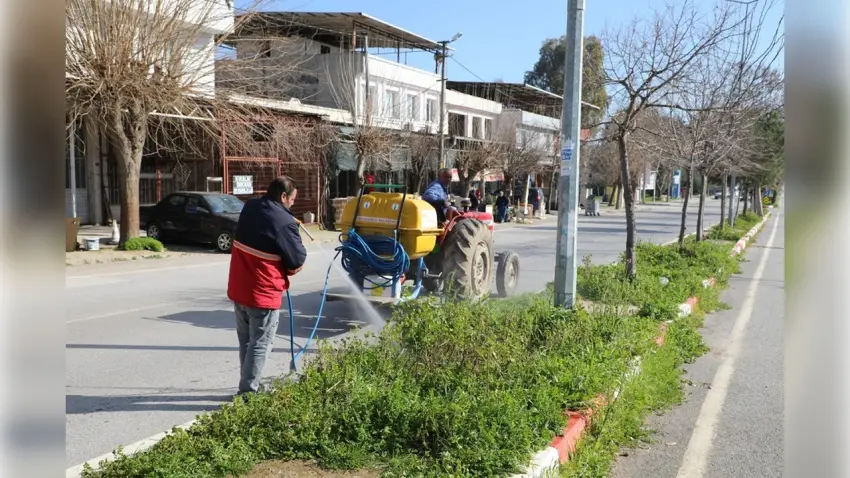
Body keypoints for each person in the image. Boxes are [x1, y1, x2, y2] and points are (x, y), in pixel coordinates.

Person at [227, 176, 307, 396]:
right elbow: (297, 260)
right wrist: (290, 226)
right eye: (292, 199)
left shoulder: (251, 206)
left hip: (239, 288)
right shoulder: (284, 222)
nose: (292, 204)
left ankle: (249, 384)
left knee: (247, 342)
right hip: (262, 293)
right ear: (283, 196)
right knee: (260, 344)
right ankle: (247, 393)